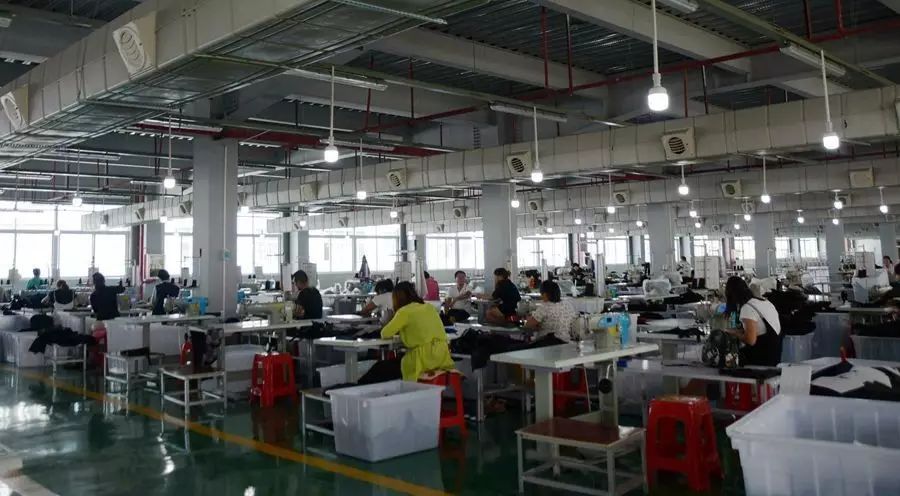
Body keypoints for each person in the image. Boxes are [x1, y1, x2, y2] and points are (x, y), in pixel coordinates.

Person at [357, 282, 454, 384]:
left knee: (380, 368)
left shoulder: (404, 312)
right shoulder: (429, 307)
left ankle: (358, 387)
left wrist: (390, 320)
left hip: (422, 360)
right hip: (441, 356)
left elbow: (385, 333)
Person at [723, 276, 782, 366]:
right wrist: (738, 331)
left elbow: (751, 340)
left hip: (762, 358)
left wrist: (734, 333)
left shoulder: (747, 308)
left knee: (726, 360)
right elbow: (759, 329)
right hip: (775, 355)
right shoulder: (765, 302)